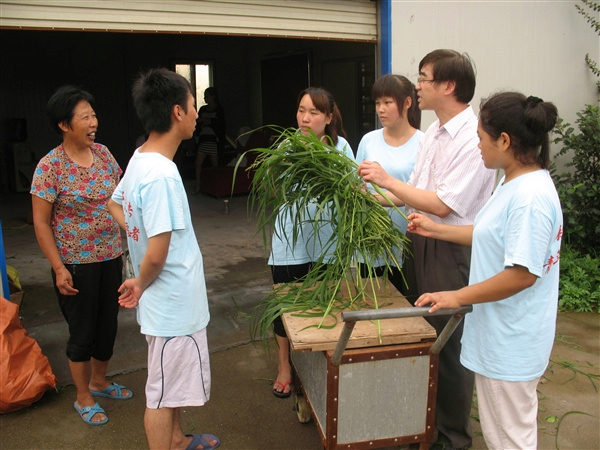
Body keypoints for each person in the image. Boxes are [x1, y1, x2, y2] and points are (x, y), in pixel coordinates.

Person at [357, 49, 496, 450]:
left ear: (448, 86)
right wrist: (368, 196)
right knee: (421, 337)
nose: (416, 86)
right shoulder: (434, 133)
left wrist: (385, 178)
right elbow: (413, 197)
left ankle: (452, 439)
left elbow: (441, 204)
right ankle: (423, 426)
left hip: (450, 249)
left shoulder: (472, 138)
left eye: (423, 78)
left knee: (449, 345)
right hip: (419, 241)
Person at [411, 92, 561, 449]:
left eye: (481, 137)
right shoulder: (514, 181)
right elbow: (493, 235)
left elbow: (522, 274)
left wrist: (456, 295)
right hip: (500, 333)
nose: (477, 145)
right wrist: (438, 229)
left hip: (510, 340)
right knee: (508, 432)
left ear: (505, 141)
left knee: (509, 439)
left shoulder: (530, 198)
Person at [107, 68, 220, 450]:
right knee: (159, 392)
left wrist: (135, 228)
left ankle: (177, 439)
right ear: (176, 111)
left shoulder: (141, 157)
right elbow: (157, 255)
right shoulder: (163, 175)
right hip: (171, 302)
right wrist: (140, 280)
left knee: (171, 383)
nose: (195, 114)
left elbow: (114, 202)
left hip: (165, 301)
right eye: (192, 106)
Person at [31, 85, 132, 426]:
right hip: (75, 265)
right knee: (82, 331)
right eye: (85, 117)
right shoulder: (50, 167)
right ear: (64, 124)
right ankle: (83, 396)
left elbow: (119, 199)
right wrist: (58, 268)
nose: (94, 122)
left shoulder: (104, 154)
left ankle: (100, 381)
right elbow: (41, 223)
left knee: (107, 326)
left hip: (110, 257)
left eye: (93, 115)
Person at [270, 87, 353, 398]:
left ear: (328, 117)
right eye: (301, 110)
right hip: (289, 242)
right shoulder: (286, 146)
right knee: (285, 307)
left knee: (322, 308)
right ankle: (284, 366)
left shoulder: (341, 147)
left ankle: (317, 369)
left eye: (314, 112)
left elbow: (348, 189)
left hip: (326, 243)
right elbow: (278, 189)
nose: (305, 117)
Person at [354, 74, 423, 293]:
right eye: (377, 103)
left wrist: (374, 199)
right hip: (372, 240)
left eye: (387, 102)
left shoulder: (423, 143)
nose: (380, 109)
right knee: (373, 303)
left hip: (406, 239)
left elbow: (420, 194)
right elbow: (357, 183)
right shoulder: (369, 140)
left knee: (405, 303)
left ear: (407, 103)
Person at [193, 87, 226, 195]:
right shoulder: (202, 109)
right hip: (203, 139)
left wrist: (209, 121)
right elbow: (197, 121)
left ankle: (217, 189)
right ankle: (198, 187)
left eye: (207, 96)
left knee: (215, 166)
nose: (205, 98)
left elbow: (220, 125)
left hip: (213, 141)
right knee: (198, 164)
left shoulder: (219, 110)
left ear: (213, 97)